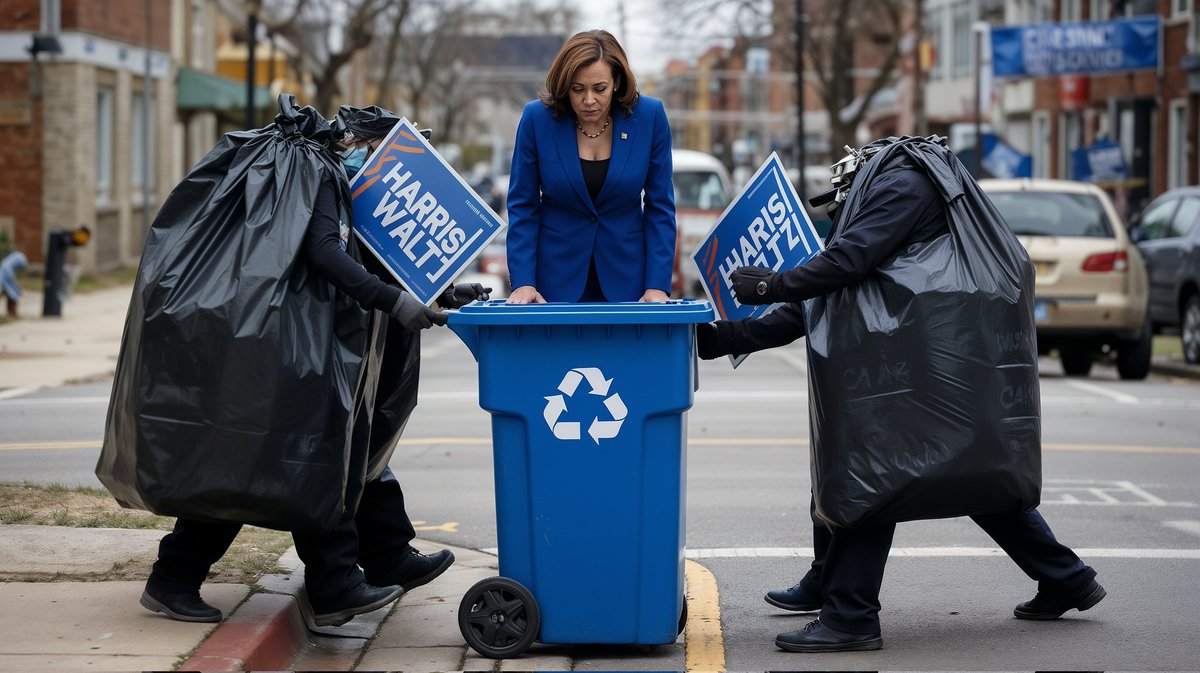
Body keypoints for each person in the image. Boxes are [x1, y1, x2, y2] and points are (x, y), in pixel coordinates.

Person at [697, 137, 1105, 653]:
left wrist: (771, 285)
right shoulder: (913, 182)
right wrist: (730, 338)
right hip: (946, 365)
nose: (840, 200)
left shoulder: (901, 184)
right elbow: (836, 296)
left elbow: (848, 262)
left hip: (925, 364)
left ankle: (850, 616)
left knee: (873, 469)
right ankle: (1067, 577)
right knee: (971, 471)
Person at [140, 106, 488, 628]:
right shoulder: (323, 174)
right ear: (368, 148)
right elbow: (325, 252)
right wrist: (394, 302)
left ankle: (358, 571)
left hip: (291, 337)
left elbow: (370, 252)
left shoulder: (333, 177)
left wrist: (440, 291)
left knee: (309, 454)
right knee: (272, 460)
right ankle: (192, 579)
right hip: (279, 342)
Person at [505, 29, 675, 304]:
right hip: (553, 283)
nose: (588, 100)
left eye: (599, 89)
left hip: (630, 283)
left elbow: (660, 207)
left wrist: (657, 285)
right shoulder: (536, 119)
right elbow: (522, 205)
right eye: (577, 89)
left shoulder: (650, 117)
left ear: (617, 82)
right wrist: (524, 282)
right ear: (565, 86)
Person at [1, 250, 27, 318]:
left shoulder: (7, 263)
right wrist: (16, 285)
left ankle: (11, 313)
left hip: (5, 283)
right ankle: (13, 313)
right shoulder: (7, 267)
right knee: (14, 294)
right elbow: (9, 278)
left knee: (13, 295)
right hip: (4, 283)